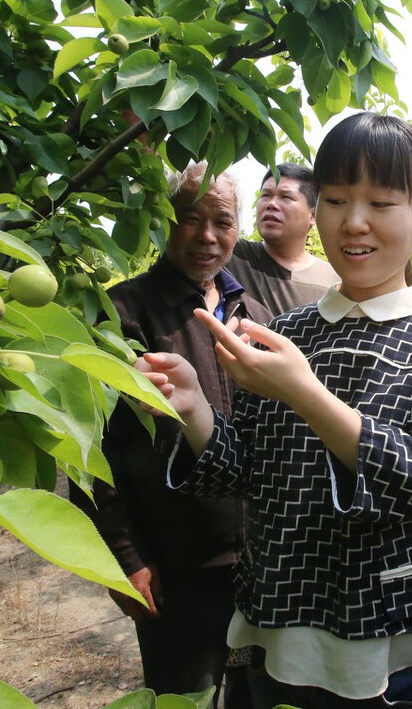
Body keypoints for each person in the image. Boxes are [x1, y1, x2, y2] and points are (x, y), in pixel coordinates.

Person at [135, 112, 412, 709]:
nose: (354, 222)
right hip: (277, 620)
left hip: (387, 635)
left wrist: (306, 393)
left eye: (381, 202)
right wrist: (195, 407)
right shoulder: (288, 332)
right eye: (334, 200)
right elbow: (247, 470)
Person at [69, 163, 273, 700]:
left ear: (238, 228)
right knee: (184, 696)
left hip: (263, 563)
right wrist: (124, 556)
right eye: (188, 218)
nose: (206, 236)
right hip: (178, 567)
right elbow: (92, 449)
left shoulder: (256, 312)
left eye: (222, 222)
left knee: (261, 696)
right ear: (163, 221)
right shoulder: (122, 314)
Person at [228, 163, 339, 315]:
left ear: (313, 215)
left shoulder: (335, 282)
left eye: (286, 197)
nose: (271, 204)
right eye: (266, 195)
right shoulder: (233, 255)